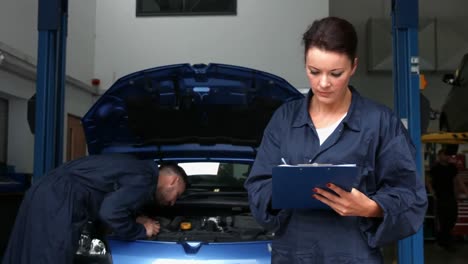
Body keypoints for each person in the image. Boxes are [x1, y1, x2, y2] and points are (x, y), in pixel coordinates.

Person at [244, 16, 428, 263]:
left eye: (336, 73)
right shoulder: (285, 119)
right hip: (292, 253)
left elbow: (410, 196)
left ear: (353, 66)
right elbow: (257, 185)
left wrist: (371, 207)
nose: (323, 83)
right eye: (314, 71)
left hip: (354, 255)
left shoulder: (380, 122)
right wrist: (285, 187)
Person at [2, 153, 187, 264]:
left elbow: (110, 195)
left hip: (42, 190)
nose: (172, 203)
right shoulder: (146, 178)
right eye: (176, 196)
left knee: (24, 253)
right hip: (59, 200)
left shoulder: (138, 169)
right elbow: (109, 212)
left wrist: (134, 217)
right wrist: (139, 230)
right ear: (173, 181)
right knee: (51, 257)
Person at [430, 149, 459, 250]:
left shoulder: (452, 168)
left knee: (453, 217)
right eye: (444, 155)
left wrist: (459, 193)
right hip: (440, 197)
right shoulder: (435, 168)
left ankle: (445, 240)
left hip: (451, 196)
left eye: (448, 155)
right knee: (443, 219)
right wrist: (432, 191)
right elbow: (428, 179)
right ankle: (444, 242)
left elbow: (456, 180)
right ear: (439, 156)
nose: (447, 157)